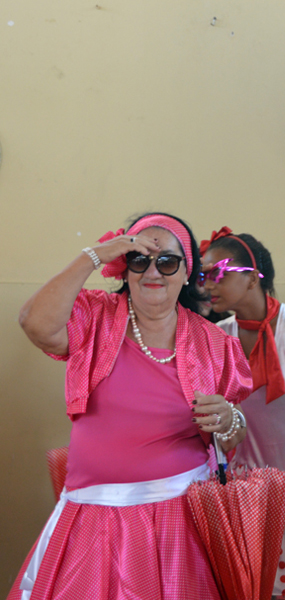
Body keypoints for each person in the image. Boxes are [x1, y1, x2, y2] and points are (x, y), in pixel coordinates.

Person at [10, 213, 253, 600]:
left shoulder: (215, 342)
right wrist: (92, 256)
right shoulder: (94, 316)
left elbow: (235, 432)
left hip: (180, 525)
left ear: (186, 273)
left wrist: (228, 418)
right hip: (92, 521)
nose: (153, 272)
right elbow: (34, 323)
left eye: (167, 261)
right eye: (139, 259)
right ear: (124, 267)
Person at [199, 227, 285, 600]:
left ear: (252, 276)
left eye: (217, 273)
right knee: (259, 589)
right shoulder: (217, 336)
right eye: (202, 276)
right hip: (247, 486)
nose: (207, 285)